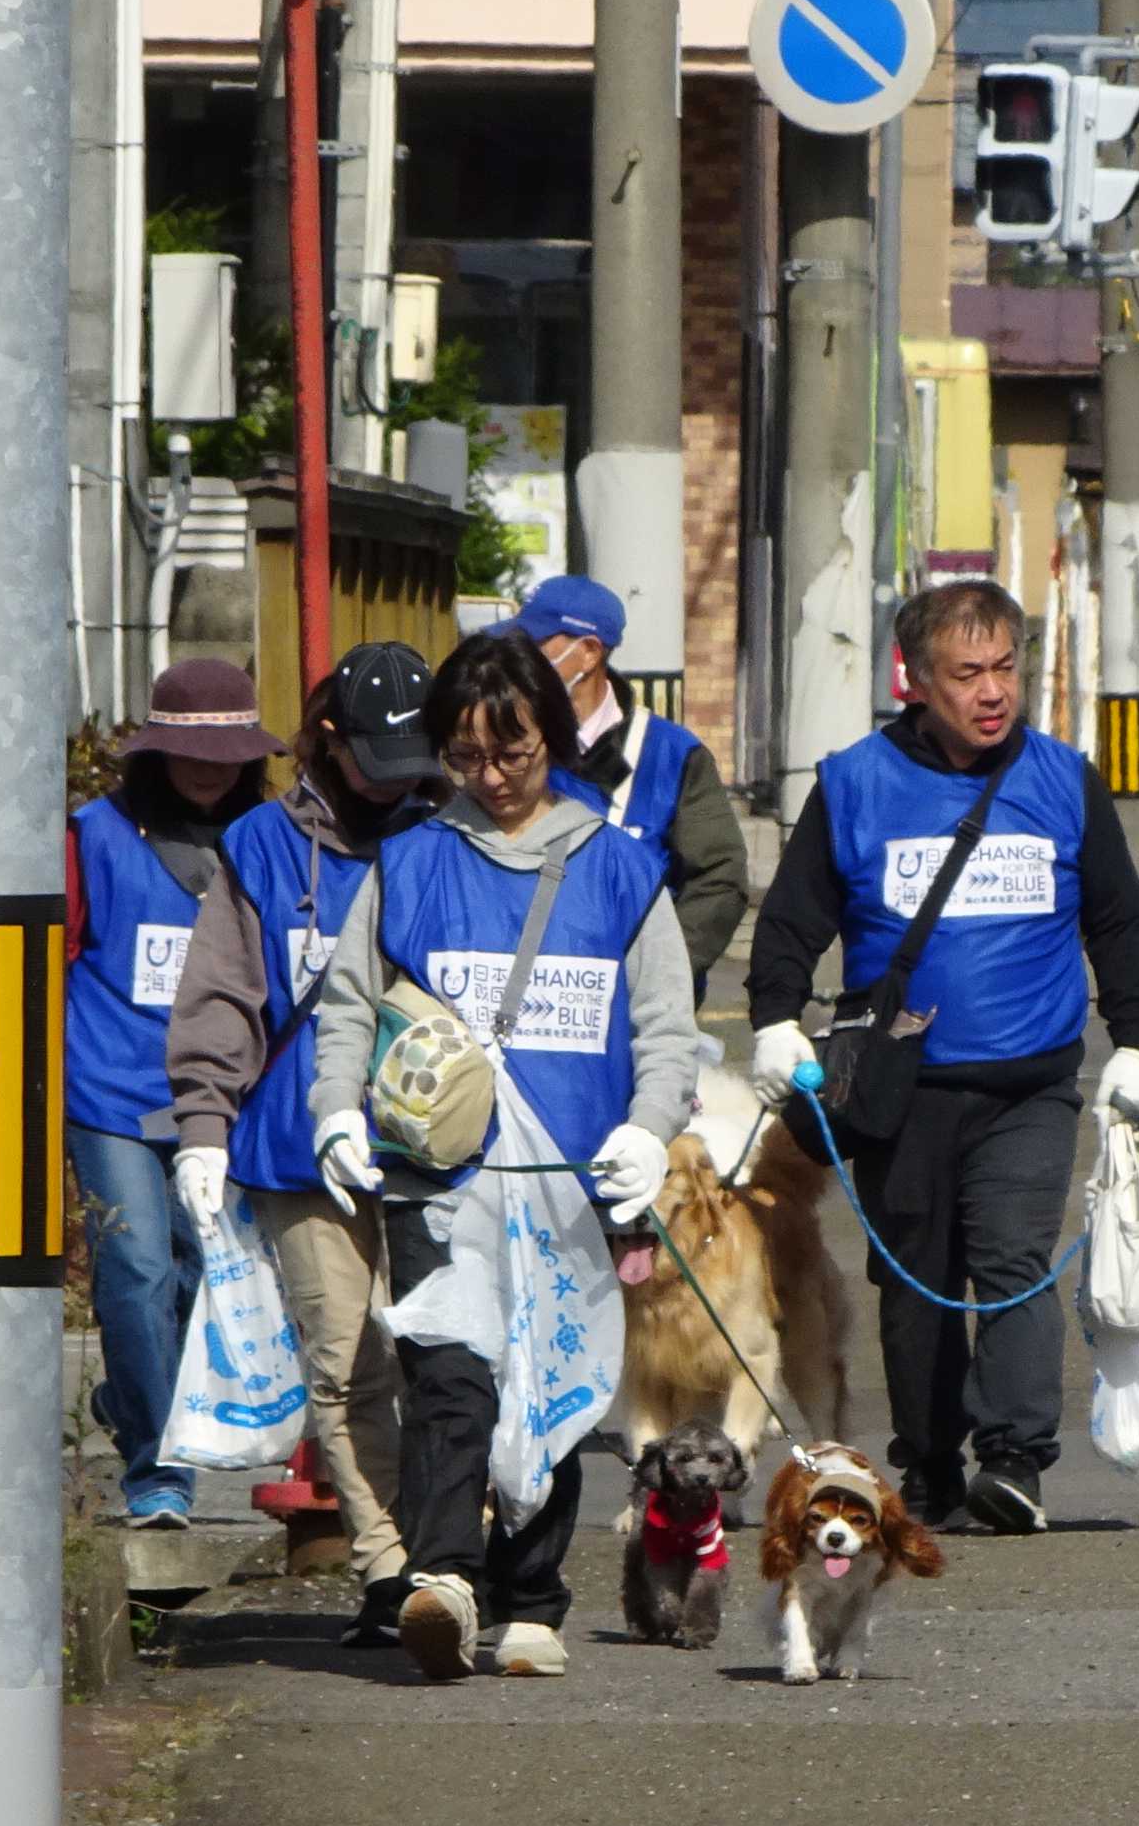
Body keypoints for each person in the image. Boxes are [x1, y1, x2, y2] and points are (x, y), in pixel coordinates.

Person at [304, 631, 701, 1682]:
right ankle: (446, 1579)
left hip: (574, 1183)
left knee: (553, 1379)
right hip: (441, 1177)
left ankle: (533, 1595)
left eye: (511, 754)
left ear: (552, 743)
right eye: (466, 757)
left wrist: (648, 1131)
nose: (489, 778)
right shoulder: (412, 861)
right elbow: (349, 1008)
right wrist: (335, 1112)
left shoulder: (621, 871)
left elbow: (666, 1028)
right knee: (452, 1382)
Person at [745, 578, 1139, 1538]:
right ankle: (928, 1461)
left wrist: (1136, 1045)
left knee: (1012, 1262)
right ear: (916, 680)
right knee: (915, 1280)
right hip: (900, 1089)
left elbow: (1118, 919)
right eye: (966, 672)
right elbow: (793, 920)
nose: (992, 692)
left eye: (1005, 668)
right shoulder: (853, 783)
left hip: (1030, 1083)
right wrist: (773, 1018)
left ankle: (1014, 1461)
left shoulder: (1063, 779)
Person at [162, 642, 447, 1647]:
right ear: (330, 738)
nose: (401, 778)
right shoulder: (262, 846)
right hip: (293, 1146)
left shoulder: (446, 838)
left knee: (442, 1358)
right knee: (346, 1363)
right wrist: (204, 1125)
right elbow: (223, 995)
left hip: (431, 1144)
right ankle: (387, 1569)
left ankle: (451, 1551)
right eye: (382, 759)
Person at [63, 659, 279, 1528]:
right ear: (152, 752)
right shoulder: (93, 836)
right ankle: (158, 1468)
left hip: (224, 1100)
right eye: (193, 751)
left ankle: (132, 1397)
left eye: (229, 752)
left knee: (205, 1275)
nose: (211, 767)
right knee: (138, 1266)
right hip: (109, 1091)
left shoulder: (265, 839)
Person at [496, 574, 750, 996]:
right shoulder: (505, 749)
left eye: (535, 647)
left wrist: (658, 979)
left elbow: (719, 878)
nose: (517, 663)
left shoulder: (672, 755)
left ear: (589, 652)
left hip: (635, 1013)